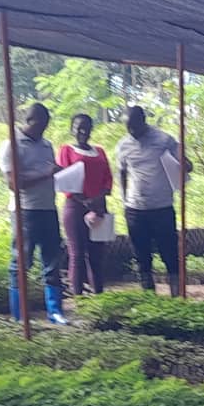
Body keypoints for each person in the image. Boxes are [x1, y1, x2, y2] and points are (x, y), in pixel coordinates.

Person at [0, 102, 68, 325]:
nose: (44, 129)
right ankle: (20, 314)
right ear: (29, 121)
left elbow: (49, 174)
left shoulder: (47, 145)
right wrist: (46, 173)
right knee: (21, 262)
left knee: (52, 261)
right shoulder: (11, 145)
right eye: (40, 124)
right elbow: (13, 183)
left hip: (48, 208)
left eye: (47, 124)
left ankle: (55, 311)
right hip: (25, 211)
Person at [116, 106, 191, 296]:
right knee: (142, 257)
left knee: (170, 254)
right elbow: (122, 173)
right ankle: (149, 299)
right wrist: (125, 201)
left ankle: (177, 297)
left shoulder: (164, 140)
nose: (131, 131)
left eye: (134, 126)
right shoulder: (123, 145)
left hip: (162, 208)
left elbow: (187, 165)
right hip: (135, 209)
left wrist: (184, 163)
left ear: (143, 121)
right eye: (127, 127)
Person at [57, 113, 113, 295]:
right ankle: (78, 297)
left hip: (100, 207)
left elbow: (108, 178)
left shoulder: (100, 151)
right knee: (77, 253)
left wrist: (99, 198)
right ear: (72, 129)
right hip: (76, 206)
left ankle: (99, 296)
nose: (83, 131)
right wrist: (84, 200)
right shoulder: (66, 150)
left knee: (98, 254)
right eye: (78, 127)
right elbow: (63, 179)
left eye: (87, 127)